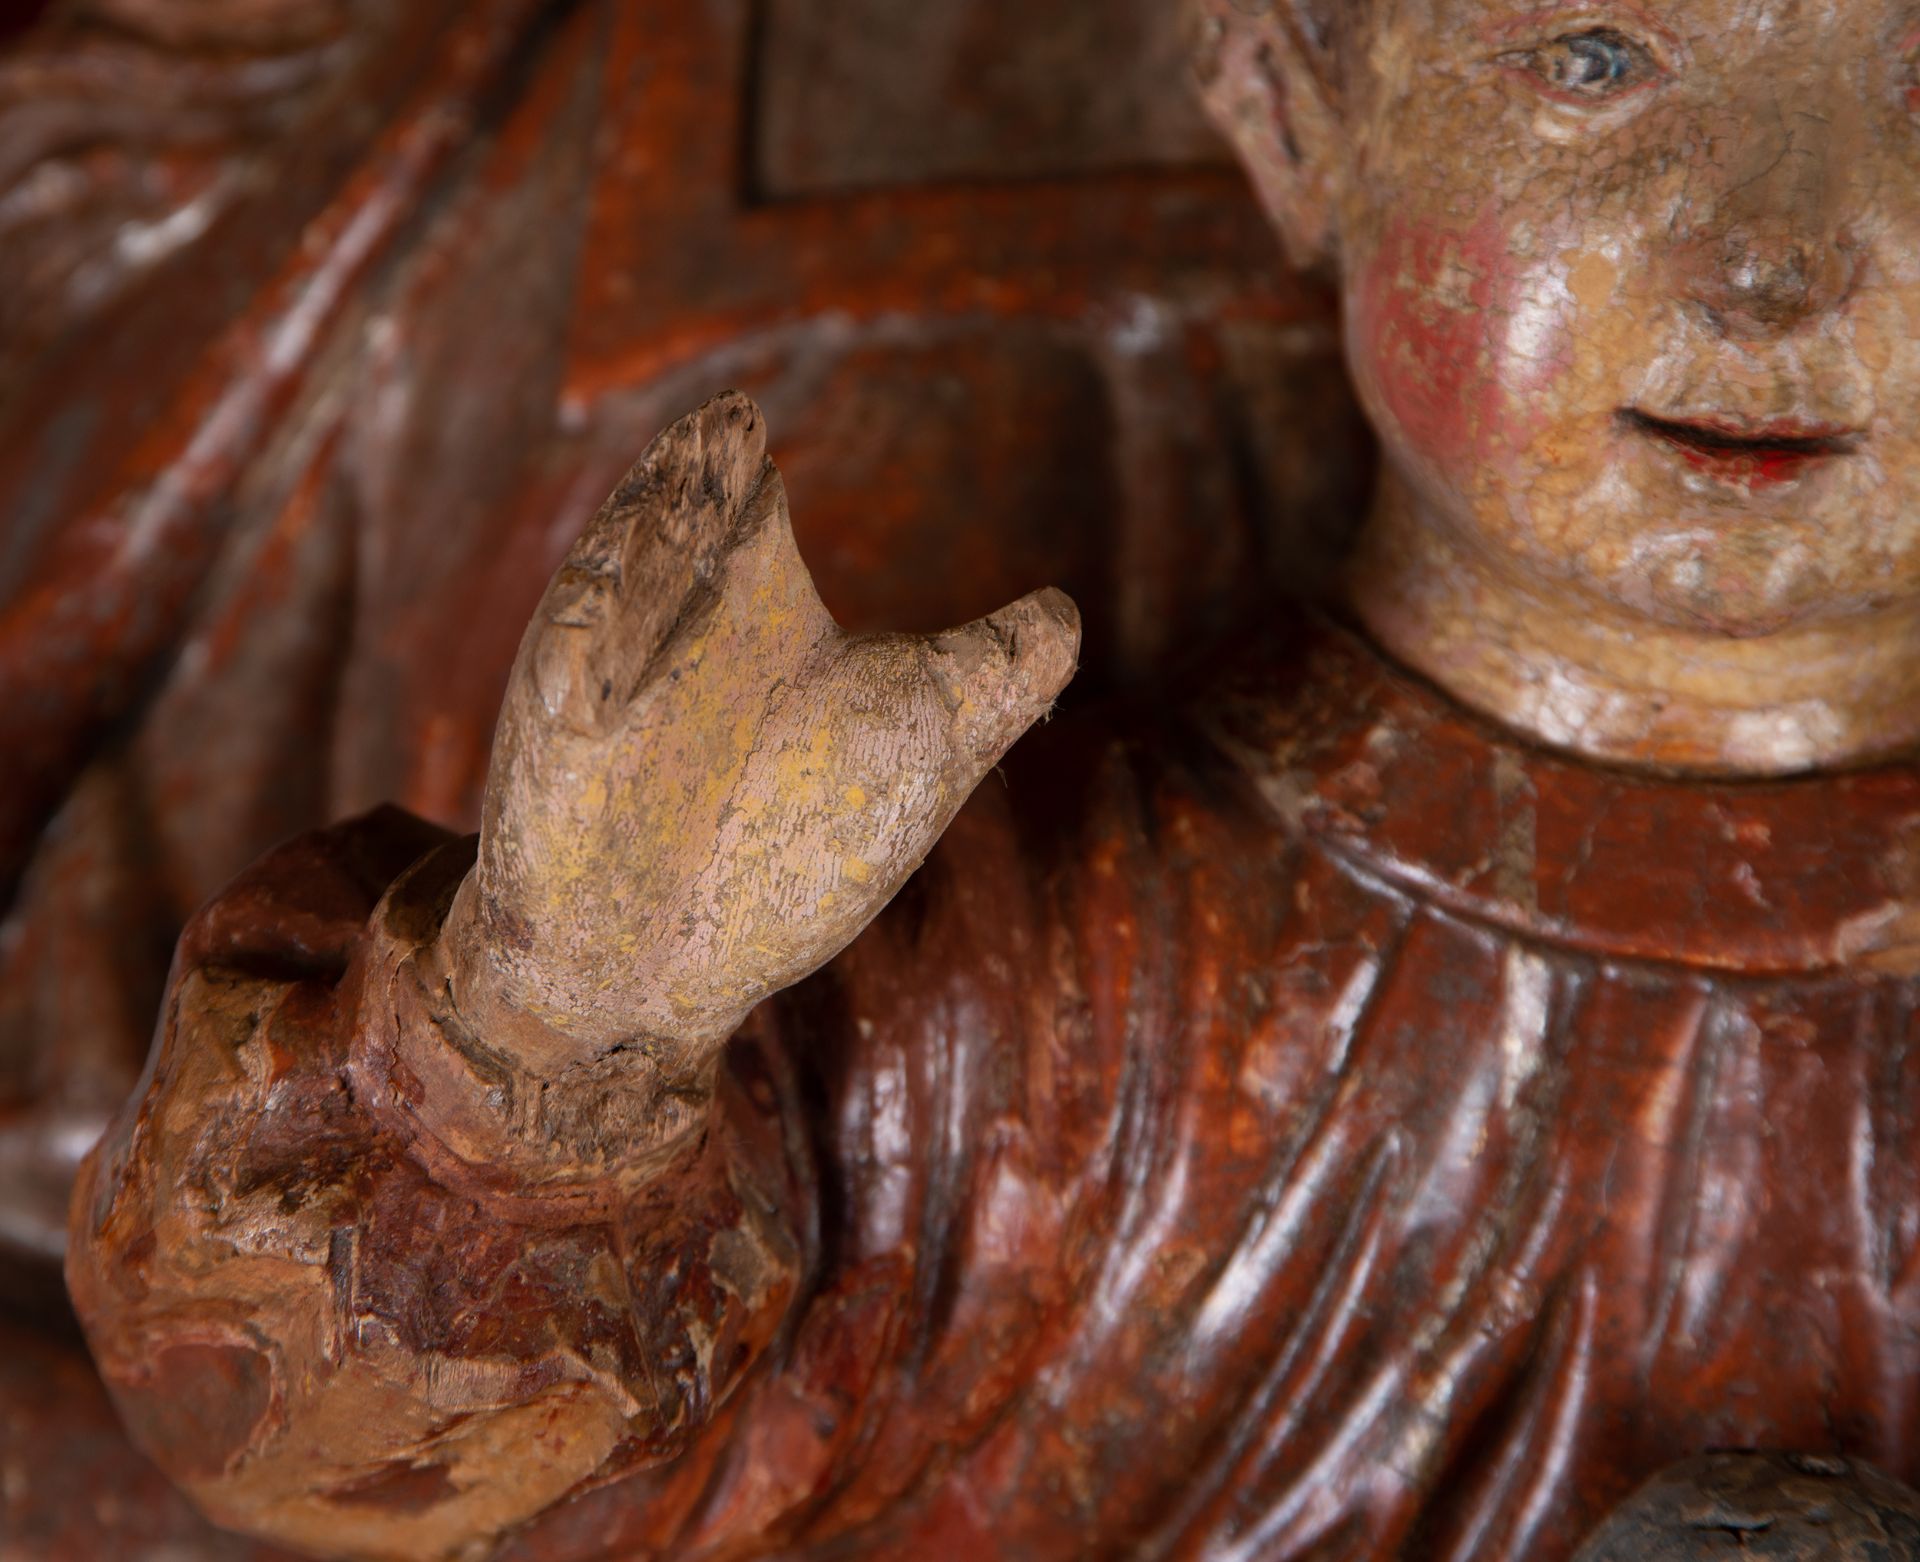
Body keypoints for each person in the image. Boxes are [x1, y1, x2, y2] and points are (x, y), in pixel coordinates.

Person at [66, 1, 1920, 1557]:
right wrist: (538, 1045)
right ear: (1291, 112)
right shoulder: (1020, 994)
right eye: (1595, 59)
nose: (1775, 254)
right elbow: (279, 1452)